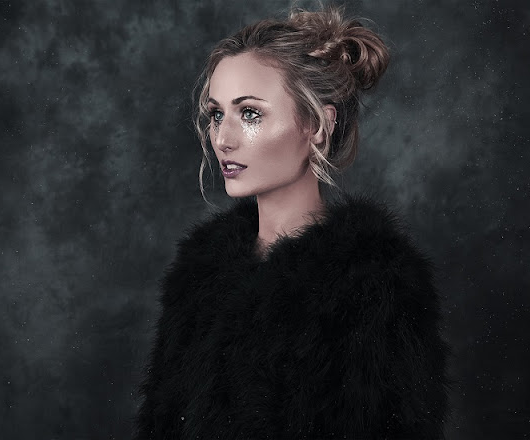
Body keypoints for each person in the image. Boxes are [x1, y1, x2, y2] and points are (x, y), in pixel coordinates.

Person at [135, 5, 449, 439]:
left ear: (317, 124)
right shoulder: (197, 276)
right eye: (216, 114)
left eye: (250, 113)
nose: (222, 139)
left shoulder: (374, 285)